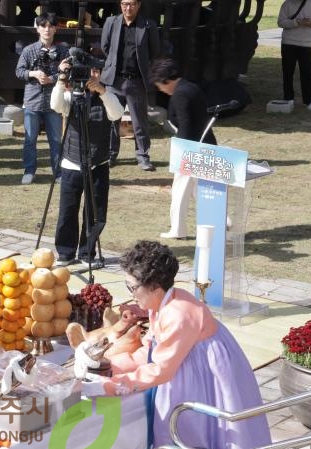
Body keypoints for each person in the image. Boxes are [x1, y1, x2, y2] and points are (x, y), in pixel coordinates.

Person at [78, 240, 286, 449]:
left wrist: (111, 386)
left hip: (205, 374)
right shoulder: (162, 303)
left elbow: (161, 368)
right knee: (184, 429)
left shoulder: (179, 314)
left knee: (197, 430)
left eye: (132, 287)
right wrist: (111, 365)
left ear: (154, 286)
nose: (130, 293)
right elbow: (151, 350)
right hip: (187, 367)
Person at [50, 56, 123, 267]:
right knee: (67, 211)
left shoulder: (107, 96)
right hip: (72, 162)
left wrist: (102, 91)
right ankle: (65, 253)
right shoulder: (70, 94)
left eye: (95, 72)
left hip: (98, 163)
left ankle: (87, 253)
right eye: (87, 71)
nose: (91, 76)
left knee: (96, 213)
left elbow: (116, 113)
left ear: (100, 73)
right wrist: (61, 77)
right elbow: (55, 106)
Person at [149, 58, 216, 240]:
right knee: (198, 190)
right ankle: (222, 220)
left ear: (166, 81)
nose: (161, 90)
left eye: (160, 86)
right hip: (204, 143)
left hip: (191, 148)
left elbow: (185, 124)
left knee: (180, 190)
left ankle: (178, 229)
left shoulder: (180, 94)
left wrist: (182, 153)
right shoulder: (190, 87)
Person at [100, 0, 161, 172]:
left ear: (139, 5)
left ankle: (143, 156)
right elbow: (105, 48)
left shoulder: (148, 25)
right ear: (120, 5)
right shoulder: (111, 23)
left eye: (132, 4)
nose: (128, 8)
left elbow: (155, 51)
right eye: (125, 4)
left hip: (136, 81)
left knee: (139, 122)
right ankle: (110, 154)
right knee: (112, 119)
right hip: (114, 80)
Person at [14, 12, 68, 185]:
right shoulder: (29, 50)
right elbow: (19, 71)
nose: (47, 29)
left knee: (55, 140)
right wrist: (34, 73)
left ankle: (58, 172)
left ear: (56, 29)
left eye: (51, 26)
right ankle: (29, 170)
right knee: (30, 139)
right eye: (43, 26)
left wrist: (53, 78)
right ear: (37, 28)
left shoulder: (62, 50)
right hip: (32, 100)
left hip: (54, 101)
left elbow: (68, 72)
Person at [278, 0, 311, 113]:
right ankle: (288, 98)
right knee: (288, 72)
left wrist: (310, 21)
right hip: (288, 42)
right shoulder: (287, 4)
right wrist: (296, 22)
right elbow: (280, 22)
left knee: (307, 72)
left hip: (305, 43)